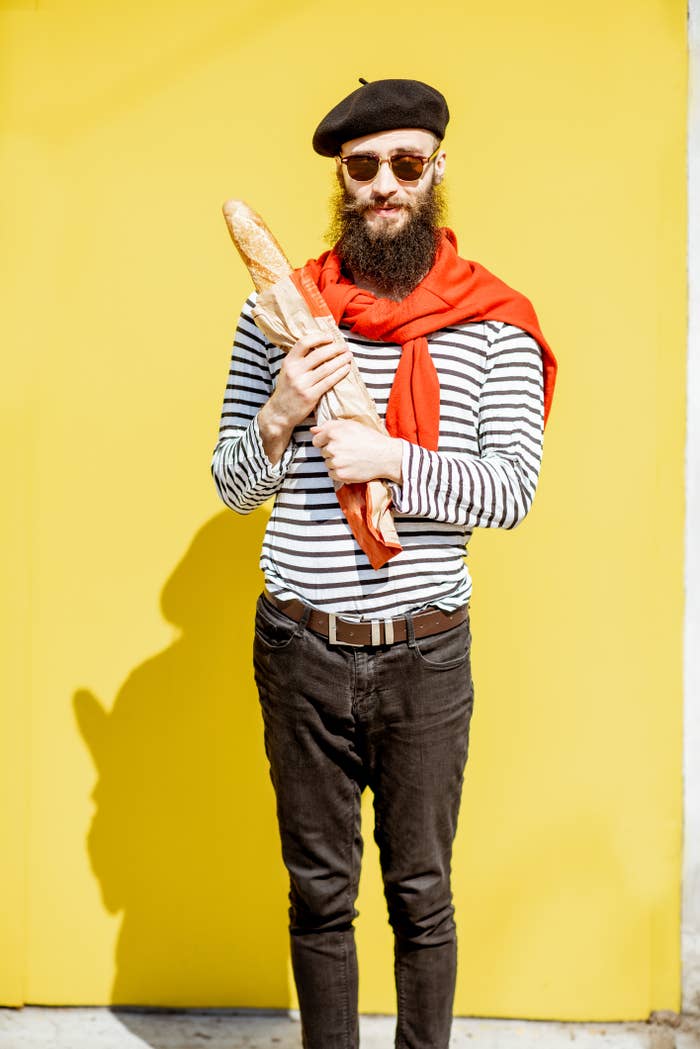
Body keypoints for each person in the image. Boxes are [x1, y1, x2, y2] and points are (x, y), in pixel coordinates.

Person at [211, 78, 556, 1049]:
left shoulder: (497, 323)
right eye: (363, 167)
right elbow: (232, 485)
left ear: (437, 169)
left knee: (421, 893)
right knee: (319, 894)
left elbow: (510, 491)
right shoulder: (278, 314)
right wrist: (279, 414)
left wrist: (390, 458)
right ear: (342, 179)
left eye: (406, 163)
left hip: (425, 657)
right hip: (299, 648)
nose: (384, 185)